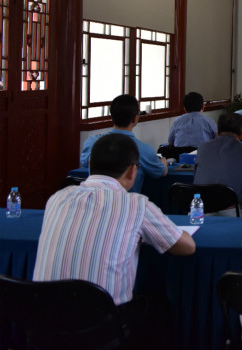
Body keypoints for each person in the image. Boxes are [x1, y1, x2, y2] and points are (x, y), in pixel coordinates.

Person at [35, 134, 195, 344]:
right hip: (102, 329)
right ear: (132, 171)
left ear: (90, 165)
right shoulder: (135, 205)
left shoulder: (57, 198)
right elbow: (187, 247)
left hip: (42, 326)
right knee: (158, 308)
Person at [80, 94, 167, 193]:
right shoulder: (143, 149)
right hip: (127, 200)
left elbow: (84, 162)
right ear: (135, 118)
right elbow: (160, 172)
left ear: (112, 115)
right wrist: (163, 161)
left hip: (94, 198)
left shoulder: (92, 142)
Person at [194, 112, 242, 214]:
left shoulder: (202, 148)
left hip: (198, 210)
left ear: (217, 132)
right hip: (229, 210)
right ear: (241, 135)